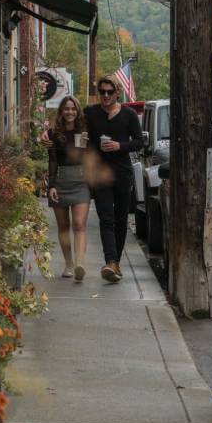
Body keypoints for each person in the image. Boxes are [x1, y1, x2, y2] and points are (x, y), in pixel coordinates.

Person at [41, 77, 143, 283]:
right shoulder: (91, 113)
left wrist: (120, 146)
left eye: (110, 92)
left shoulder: (129, 115)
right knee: (106, 219)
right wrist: (47, 133)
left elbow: (139, 142)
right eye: (103, 91)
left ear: (117, 92)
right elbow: (69, 120)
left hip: (122, 174)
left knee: (121, 219)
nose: (106, 95)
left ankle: (116, 263)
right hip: (98, 175)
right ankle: (110, 261)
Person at [46, 96, 91, 282]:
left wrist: (87, 145)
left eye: (73, 108)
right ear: (61, 112)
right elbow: (53, 160)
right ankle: (69, 264)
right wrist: (51, 186)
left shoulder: (85, 131)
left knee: (79, 224)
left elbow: (85, 157)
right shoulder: (54, 133)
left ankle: (80, 264)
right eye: (66, 109)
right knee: (63, 226)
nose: (70, 112)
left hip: (80, 181)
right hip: (61, 181)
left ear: (78, 111)